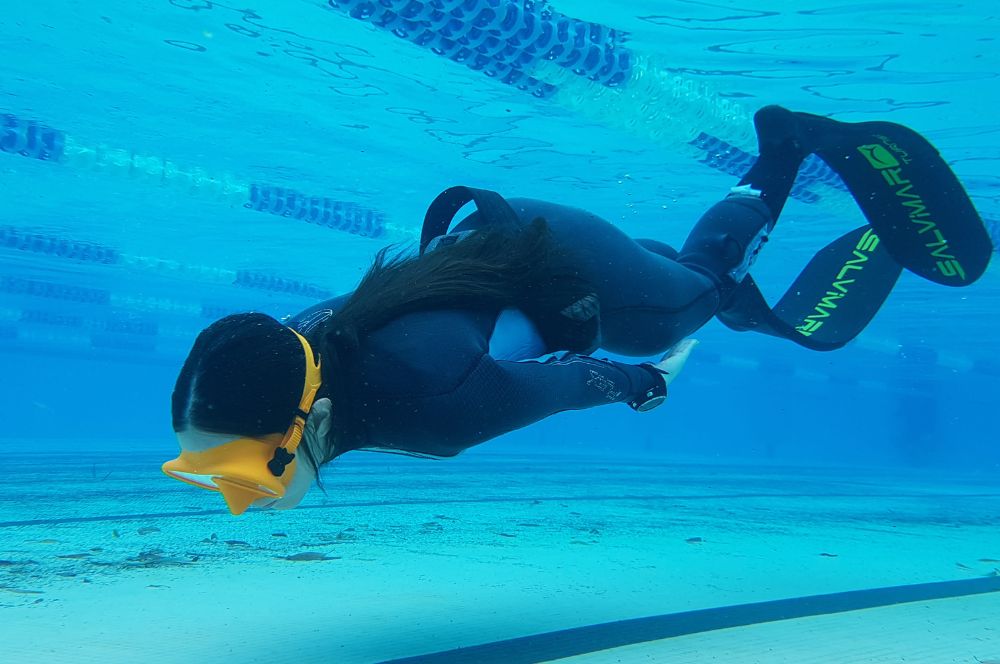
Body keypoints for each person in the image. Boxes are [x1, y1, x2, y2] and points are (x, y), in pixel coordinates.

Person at [163, 106, 992, 515]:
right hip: (496, 242)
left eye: (240, 476)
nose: (235, 501)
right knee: (675, 278)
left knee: (692, 297)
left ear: (314, 419)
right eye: (215, 475)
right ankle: (713, 274)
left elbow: (575, 380)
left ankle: (782, 148)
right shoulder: (295, 344)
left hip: (566, 263)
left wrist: (646, 385)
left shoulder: (433, 408)